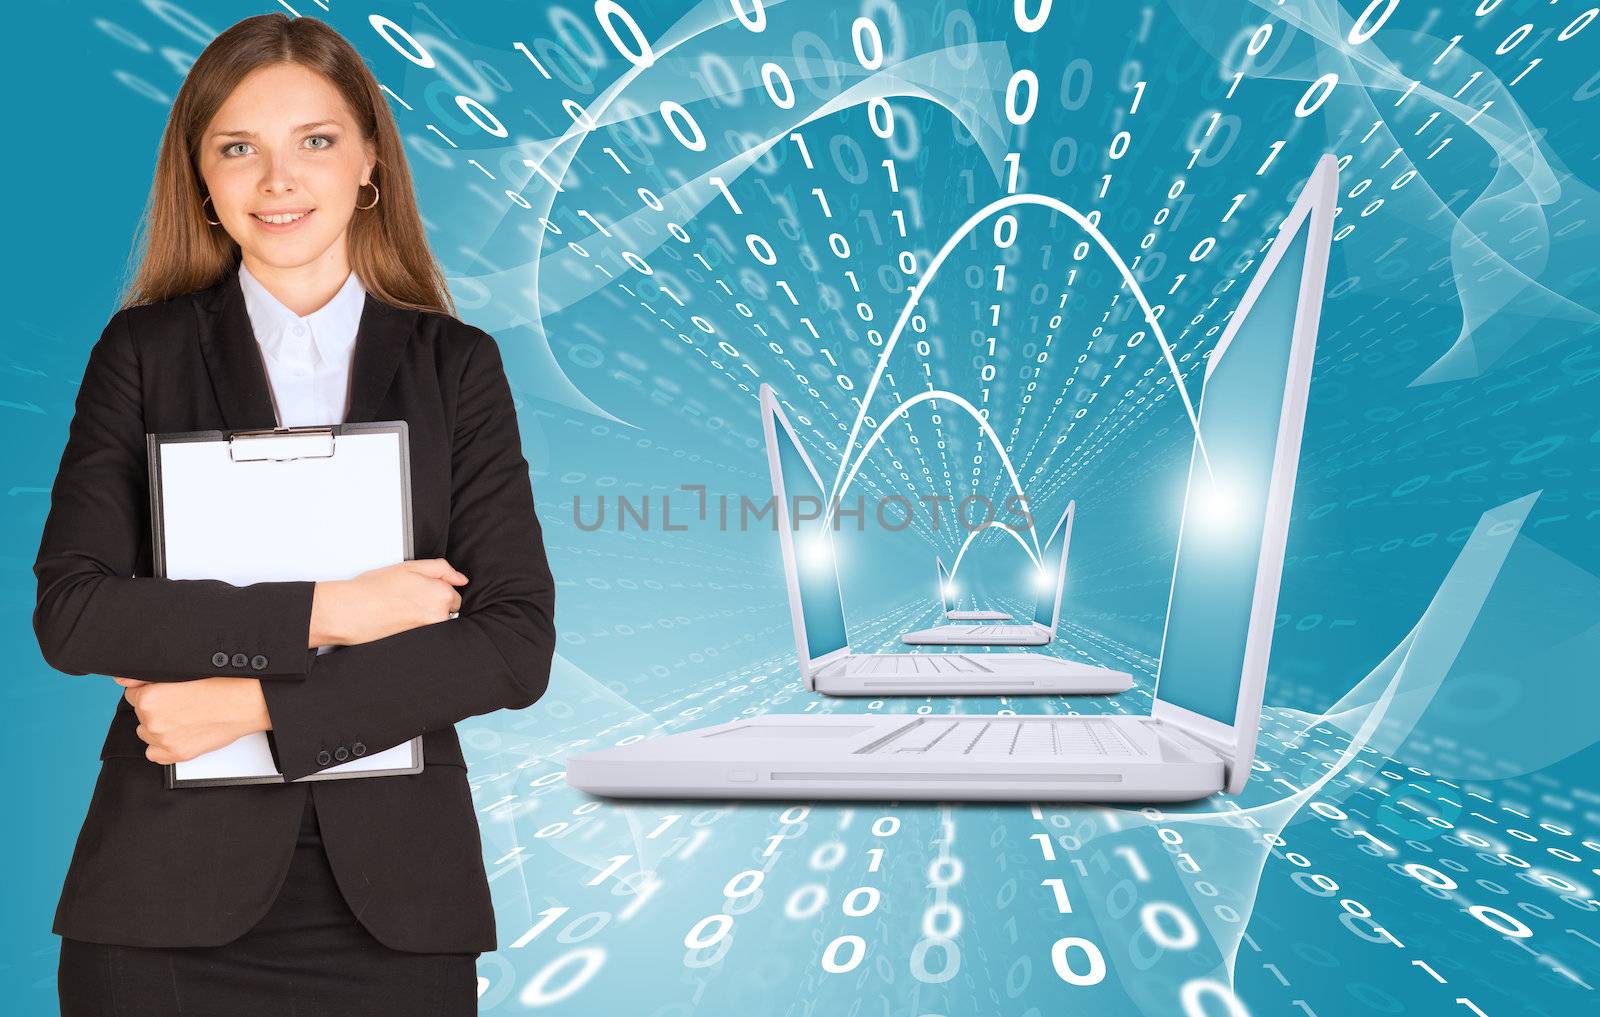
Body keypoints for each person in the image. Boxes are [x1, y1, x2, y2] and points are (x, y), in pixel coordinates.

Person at [32, 13, 555, 1015]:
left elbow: (509, 644)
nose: (278, 181)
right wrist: (333, 608)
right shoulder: (142, 356)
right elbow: (79, 613)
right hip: (162, 906)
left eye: (314, 141)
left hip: (395, 908)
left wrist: (253, 705)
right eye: (239, 148)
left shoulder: (456, 367)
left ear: (369, 164)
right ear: (202, 179)